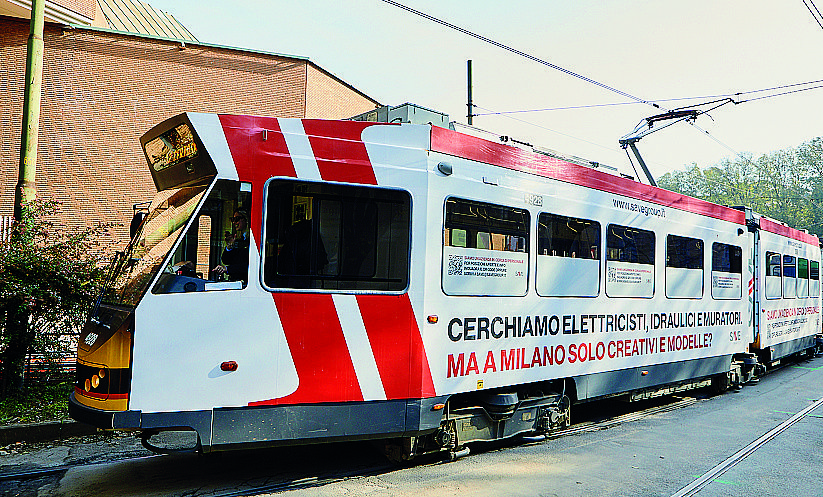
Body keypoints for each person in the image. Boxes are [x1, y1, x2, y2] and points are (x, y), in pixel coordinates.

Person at [214, 209, 250, 282]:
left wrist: (227, 269)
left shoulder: (252, 239)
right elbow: (226, 260)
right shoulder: (238, 239)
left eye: (237, 219)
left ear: (246, 219)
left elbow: (249, 264)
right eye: (232, 219)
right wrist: (229, 247)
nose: (234, 222)